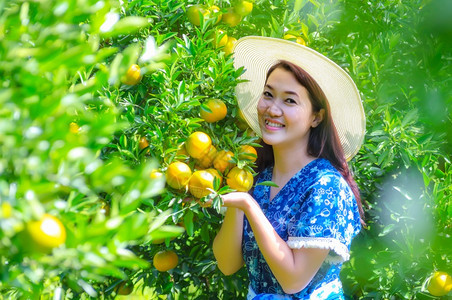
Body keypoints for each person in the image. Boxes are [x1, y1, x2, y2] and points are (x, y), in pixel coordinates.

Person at [212, 36, 366, 299]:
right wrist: (238, 198)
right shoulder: (259, 178)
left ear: (316, 117)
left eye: (289, 101)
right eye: (268, 95)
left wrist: (248, 206)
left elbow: (294, 280)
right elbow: (227, 265)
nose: (272, 109)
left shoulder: (326, 186)